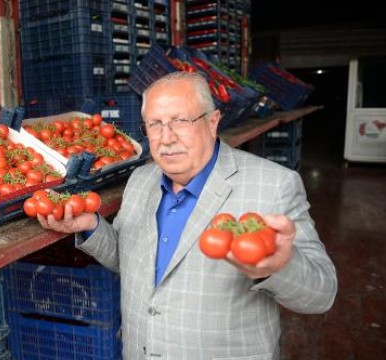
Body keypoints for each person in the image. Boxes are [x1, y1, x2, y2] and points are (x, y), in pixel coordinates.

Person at [37, 71, 338, 359]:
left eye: (180, 121)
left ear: (212, 122)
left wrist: (278, 267)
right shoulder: (141, 181)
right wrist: (92, 226)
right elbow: (132, 263)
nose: (166, 138)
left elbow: (322, 294)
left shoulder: (273, 185)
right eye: (154, 124)